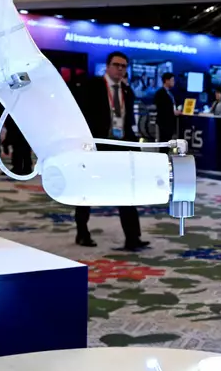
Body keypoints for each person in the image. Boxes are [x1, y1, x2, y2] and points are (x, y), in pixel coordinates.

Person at [72, 51, 149, 251]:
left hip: (120, 146)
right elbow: (81, 115)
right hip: (96, 145)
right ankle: (82, 231)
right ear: (107, 66)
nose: (120, 69)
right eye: (116, 65)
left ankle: (133, 237)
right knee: (87, 190)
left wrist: (136, 148)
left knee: (127, 192)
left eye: (124, 66)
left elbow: (128, 122)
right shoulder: (93, 86)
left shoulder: (127, 91)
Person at [154, 72, 179, 143]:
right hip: (164, 123)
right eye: (172, 80)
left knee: (169, 142)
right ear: (167, 81)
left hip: (170, 122)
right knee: (164, 142)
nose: (174, 82)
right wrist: (173, 112)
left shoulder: (171, 93)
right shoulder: (160, 93)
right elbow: (162, 109)